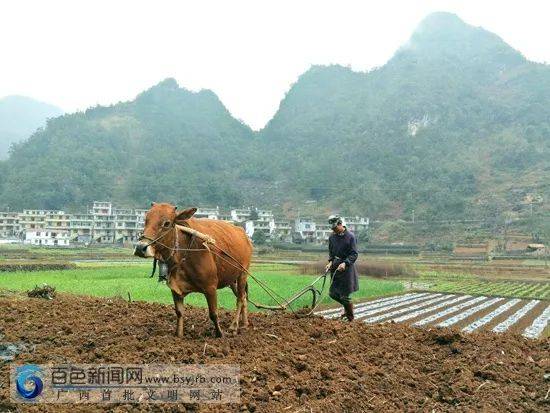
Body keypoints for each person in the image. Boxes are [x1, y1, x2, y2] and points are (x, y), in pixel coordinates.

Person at [324, 215, 359, 321]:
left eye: (335, 228)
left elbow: (354, 254)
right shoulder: (332, 237)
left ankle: (350, 318)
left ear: (340, 224)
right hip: (335, 268)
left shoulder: (350, 237)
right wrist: (330, 263)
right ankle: (347, 306)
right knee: (332, 294)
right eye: (332, 229)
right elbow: (331, 253)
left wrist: (345, 263)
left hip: (346, 270)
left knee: (344, 296)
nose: (334, 230)